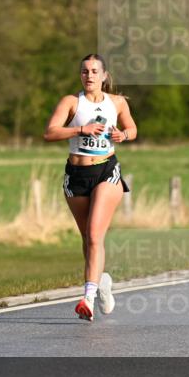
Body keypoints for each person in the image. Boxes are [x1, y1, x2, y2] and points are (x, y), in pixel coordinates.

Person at [43, 54, 137, 321]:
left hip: (106, 170)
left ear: (104, 76)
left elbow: (132, 128)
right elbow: (50, 132)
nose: (89, 76)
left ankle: (88, 298)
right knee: (88, 238)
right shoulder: (71, 102)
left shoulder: (116, 102)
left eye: (95, 71)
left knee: (95, 234)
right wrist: (80, 129)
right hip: (76, 175)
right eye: (84, 71)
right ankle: (101, 281)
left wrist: (123, 135)